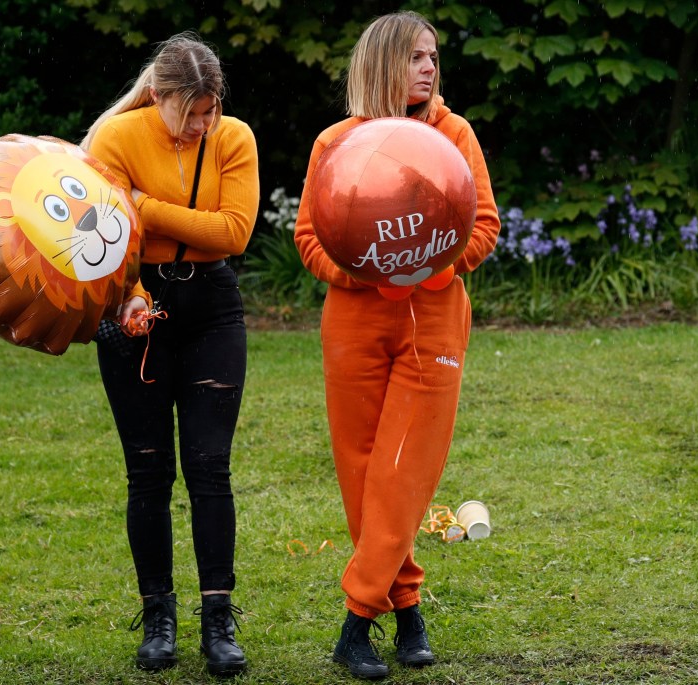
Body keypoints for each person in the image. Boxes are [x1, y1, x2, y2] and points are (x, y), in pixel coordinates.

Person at [293, 10, 501, 680]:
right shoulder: (337, 142)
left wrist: (432, 266)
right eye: (416, 57)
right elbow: (308, 237)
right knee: (361, 475)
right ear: (384, 62)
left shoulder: (454, 134)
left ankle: (357, 622)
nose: (429, 68)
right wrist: (359, 271)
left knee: (402, 471)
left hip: (433, 322)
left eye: (434, 57)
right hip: (354, 323)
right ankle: (408, 608)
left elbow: (484, 225)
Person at [81, 32, 259, 676]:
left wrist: (142, 208)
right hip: (131, 304)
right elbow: (97, 235)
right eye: (193, 112)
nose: (204, 123)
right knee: (149, 472)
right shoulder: (113, 139)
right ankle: (158, 617)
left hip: (213, 305)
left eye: (212, 110)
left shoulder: (234, 138)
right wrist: (126, 292)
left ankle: (220, 621)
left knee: (210, 466)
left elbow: (232, 232)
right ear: (158, 96)